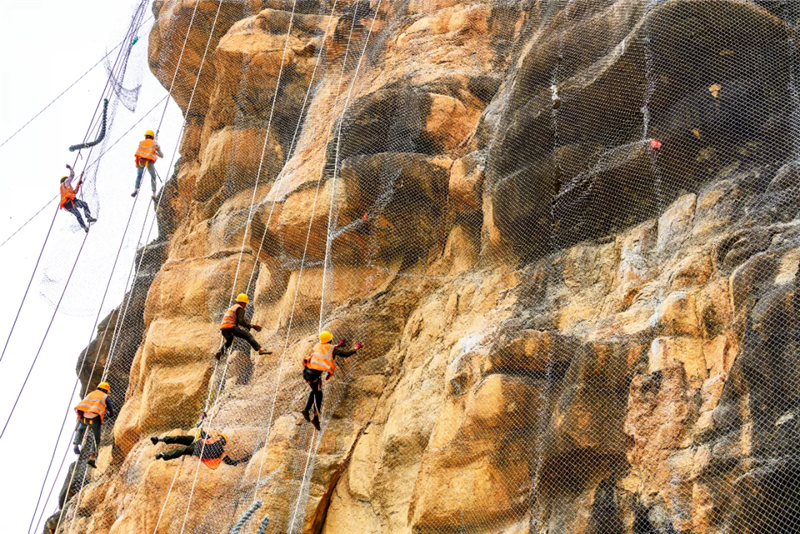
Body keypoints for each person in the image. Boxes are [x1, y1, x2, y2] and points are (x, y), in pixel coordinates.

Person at [302, 331, 363, 431]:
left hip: (307, 372)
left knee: (315, 392)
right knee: (319, 395)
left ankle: (307, 411)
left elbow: (325, 350)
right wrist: (356, 348)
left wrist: (338, 346)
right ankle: (314, 417)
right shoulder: (332, 349)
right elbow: (345, 354)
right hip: (313, 376)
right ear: (330, 339)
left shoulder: (318, 345)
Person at [151, 430, 250, 469]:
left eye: (221, 438)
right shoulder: (210, 438)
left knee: (183, 449)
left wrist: (240, 460)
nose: (218, 438)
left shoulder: (220, 450)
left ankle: (163, 455)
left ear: (222, 441)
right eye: (219, 437)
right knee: (180, 438)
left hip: (198, 448)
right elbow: (201, 432)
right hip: (197, 442)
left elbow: (229, 461)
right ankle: (159, 439)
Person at [215, 294, 272, 360]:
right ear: (242, 303)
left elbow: (234, 318)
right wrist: (253, 326)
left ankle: (220, 351)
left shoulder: (233, 307)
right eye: (245, 303)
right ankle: (260, 349)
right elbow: (241, 322)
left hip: (223, 329)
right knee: (248, 336)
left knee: (229, 341)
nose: (245, 305)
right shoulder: (239, 308)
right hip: (231, 327)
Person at [73, 381, 115, 468]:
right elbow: (111, 410)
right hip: (94, 419)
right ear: (106, 390)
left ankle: (76, 445)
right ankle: (91, 458)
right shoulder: (105, 397)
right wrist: (109, 414)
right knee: (96, 438)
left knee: (80, 429)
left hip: (84, 417)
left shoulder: (91, 393)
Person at [60, 164, 96, 233]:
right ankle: (88, 217)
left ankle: (84, 227)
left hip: (67, 205)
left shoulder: (66, 188)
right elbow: (72, 175)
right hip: (71, 201)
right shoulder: (66, 183)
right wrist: (70, 168)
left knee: (78, 215)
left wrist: (78, 183)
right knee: (84, 204)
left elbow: (75, 192)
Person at [132, 129, 164, 201]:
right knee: (153, 177)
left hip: (141, 161)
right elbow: (162, 156)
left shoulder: (141, 143)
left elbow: (139, 152)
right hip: (149, 162)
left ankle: (135, 189)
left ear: (146, 136)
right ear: (152, 137)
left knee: (139, 175)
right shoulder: (155, 144)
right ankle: (154, 193)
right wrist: (156, 153)